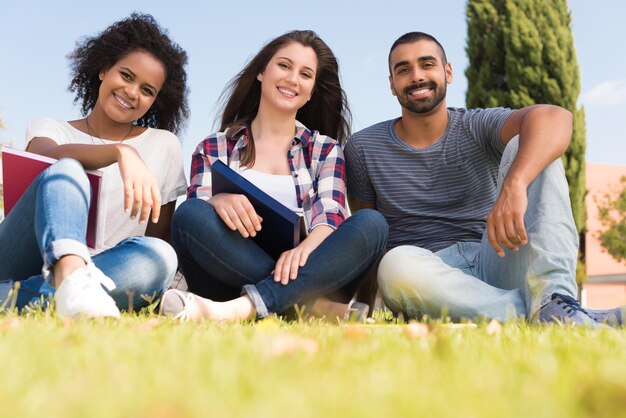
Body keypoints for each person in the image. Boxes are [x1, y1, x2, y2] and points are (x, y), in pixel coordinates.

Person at [344, 31, 622, 327]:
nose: (416, 76)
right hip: (428, 278)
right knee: (395, 264)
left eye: (427, 64)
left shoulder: (475, 126)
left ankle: (554, 300)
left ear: (447, 72)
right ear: (392, 84)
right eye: (403, 69)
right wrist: (365, 307)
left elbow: (555, 117)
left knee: (528, 144)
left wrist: (515, 183)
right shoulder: (363, 147)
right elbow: (370, 239)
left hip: (497, 259)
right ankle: (544, 312)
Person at [163, 30, 388, 322]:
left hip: (311, 267)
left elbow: (330, 217)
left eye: (305, 74)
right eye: (284, 65)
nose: (293, 79)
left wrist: (304, 249)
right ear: (261, 72)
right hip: (226, 277)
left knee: (372, 224)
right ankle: (313, 308)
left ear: (310, 92)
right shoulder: (214, 147)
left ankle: (243, 309)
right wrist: (217, 200)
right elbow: (196, 225)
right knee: (190, 213)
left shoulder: (325, 150)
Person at [0, 13, 189, 318]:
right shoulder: (49, 127)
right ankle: (71, 277)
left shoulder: (164, 146)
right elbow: (49, 154)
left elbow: (155, 237)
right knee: (67, 168)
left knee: (162, 256)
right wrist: (121, 152)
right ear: (103, 70)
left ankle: (45, 292)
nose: (132, 92)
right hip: (22, 259)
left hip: (108, 270)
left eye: (147, 90)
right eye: (126, 76)